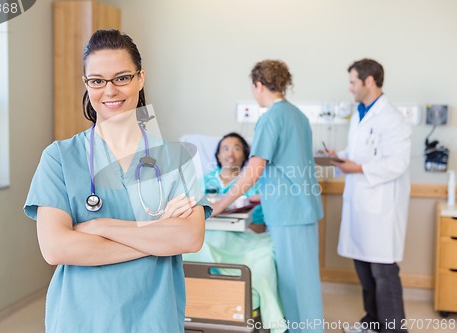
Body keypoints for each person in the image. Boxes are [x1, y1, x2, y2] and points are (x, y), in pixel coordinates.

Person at [24, 29, 211, 333]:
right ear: (86, 84)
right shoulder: (59, 157)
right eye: (97, 81)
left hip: (154, 319)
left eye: (122, 78)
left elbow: (189, 238)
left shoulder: (177, 159)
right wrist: (158, 235)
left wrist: (100, 227)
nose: (109, 91)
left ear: (140, 78)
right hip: (82, 318)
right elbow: (56, 248)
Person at [211, 60, 324, 333]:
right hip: (302, 208)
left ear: (258, 85)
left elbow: (254, 170)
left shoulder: (271, 118)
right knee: (305, 281)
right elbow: (291, 167)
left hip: (289, 214)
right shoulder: (298, 116)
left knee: (294, 284)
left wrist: (219, 204)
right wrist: (264, 198)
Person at [327, 59, 411, 333]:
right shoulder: (360, 113)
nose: (350, 88)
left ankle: (394, 329)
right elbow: (361, 152)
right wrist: (340, 157)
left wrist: (358, 167)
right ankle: (373, 322)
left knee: (383, 273)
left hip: (381, 208)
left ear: (369, 81)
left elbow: (397, 164)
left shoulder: (393, 119)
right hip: (360, 204)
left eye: (353, 82)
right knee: (364, 270)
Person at [204, 132, 265, 233]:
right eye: (225, 149)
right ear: (218, 156)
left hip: (240, 237)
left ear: (245, 155)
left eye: (236, 149)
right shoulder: (202, 182)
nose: (230, 154)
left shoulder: (253, 186)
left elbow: (259, 227)